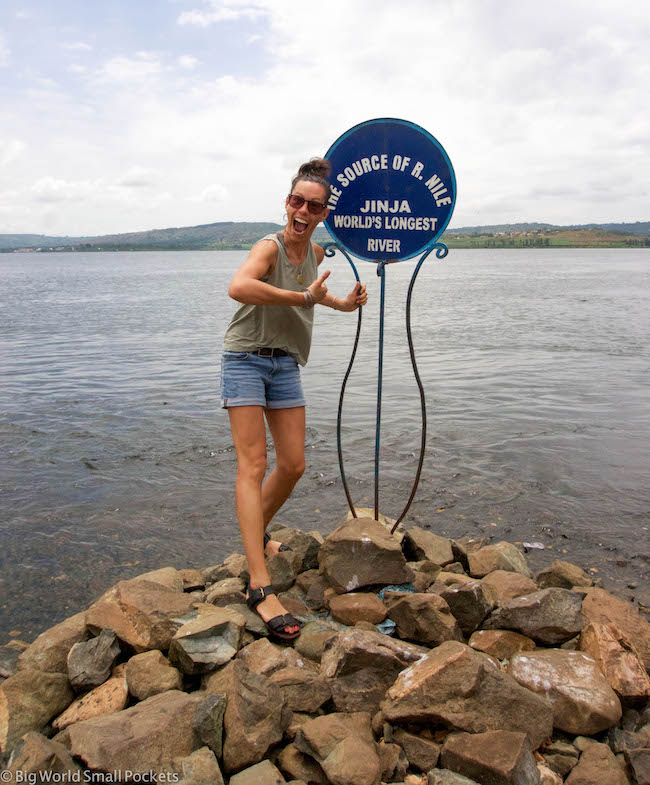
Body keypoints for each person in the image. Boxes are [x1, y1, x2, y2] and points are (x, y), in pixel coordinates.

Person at [220, 158, 367, 641]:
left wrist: (340, 304)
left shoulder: (318, 254)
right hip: (245, 359)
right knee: (253, 464)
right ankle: (259, 585)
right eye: (296, 201)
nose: (303, 210)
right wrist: (302, 299)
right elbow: (239, 286)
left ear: (324, 213)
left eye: (314, 205)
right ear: (287, 203)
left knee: (295, 464)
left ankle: (252, 536)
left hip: (285, 364)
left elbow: (310, 292)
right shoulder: (270, 246)